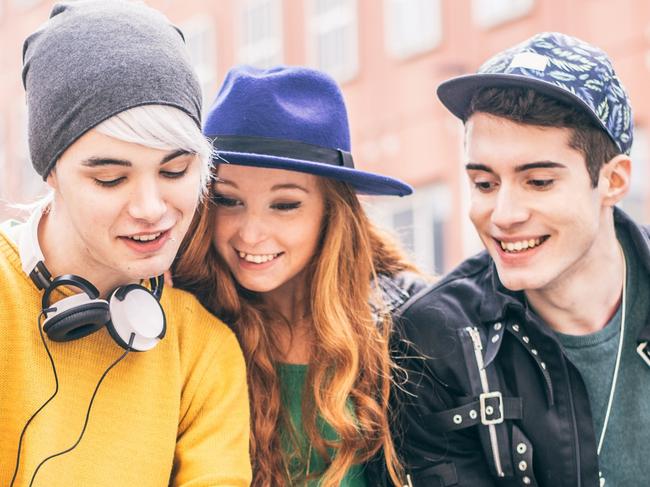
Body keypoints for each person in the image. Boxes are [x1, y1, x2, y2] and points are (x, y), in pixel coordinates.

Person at [0, 2, 250, 486]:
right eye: (111, 179)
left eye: (175, 171)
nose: (151, 208)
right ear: (50, 171)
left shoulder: (202, 350)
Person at [390, 31, 645, 486]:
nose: (503, 216)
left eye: (539, 182)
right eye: (485, 184)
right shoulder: (431, 340)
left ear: (613, 180)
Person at [173, 65, 427, 487]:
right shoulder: (185, 324)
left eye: (285, 205)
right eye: (228, 200)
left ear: (332, 210)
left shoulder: (408, 328)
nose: (250, 233)